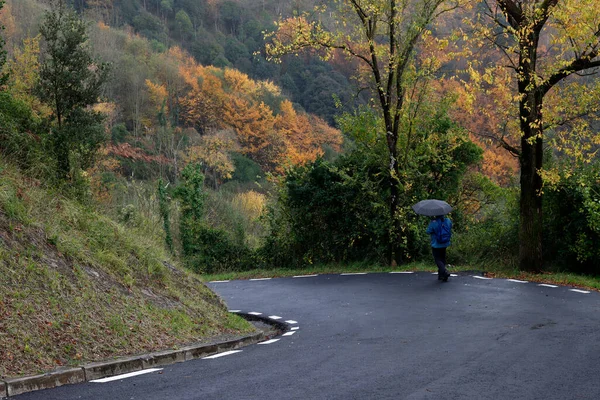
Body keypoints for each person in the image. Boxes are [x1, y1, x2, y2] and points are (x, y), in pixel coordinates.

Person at [426, 215, 452, 282]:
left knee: (437, 259)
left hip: (436, 244)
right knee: (442, 258)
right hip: (445, 243)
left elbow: (428, 231)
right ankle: (441, 275)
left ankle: (444, 272)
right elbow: (450, 227)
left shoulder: (434, 222)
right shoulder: (448, 220)